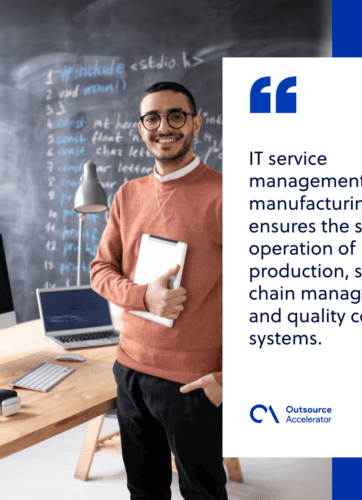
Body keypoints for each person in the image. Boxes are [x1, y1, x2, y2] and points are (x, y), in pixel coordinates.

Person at [90, 81, 225, 500]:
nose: (164, 126)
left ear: (196, 124)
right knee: (143, 489)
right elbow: (100, 270)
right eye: (153, 117)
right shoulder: (127, 194)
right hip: (130, 370)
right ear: (141, 128)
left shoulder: (227, 196)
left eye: (176, 116)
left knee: (202, 491)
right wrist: (143, 296)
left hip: (193, 383)